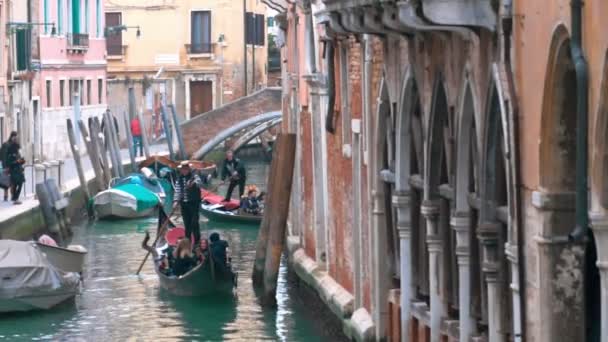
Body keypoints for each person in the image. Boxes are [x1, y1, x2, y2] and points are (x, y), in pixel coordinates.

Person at [173, 161, 203, 246]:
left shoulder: (195, 177)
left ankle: (197, 243)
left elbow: (200, 184)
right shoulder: (179, 179)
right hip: (184, 204)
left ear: (189, 169)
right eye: (183, 169)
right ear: (181, 170)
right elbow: (177, 191)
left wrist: (193, 183)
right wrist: (175, 201)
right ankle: (188, 243)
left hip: (194, 204)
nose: (184, 171)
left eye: (186, 169)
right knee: (187, 225)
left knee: (194, 223)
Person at [5, 134, 24, 205]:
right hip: (14, 170)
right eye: (15, 140)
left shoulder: (18, 150)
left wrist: (22, 161)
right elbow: (9, 162)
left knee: (20, 183)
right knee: (15, 184)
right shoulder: (10, 150)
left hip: (19, 170)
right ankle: (15, 198)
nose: (17, 141)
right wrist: (16, 162)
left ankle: (15, 198)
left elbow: (22, 159)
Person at [0, 132, 16, 201]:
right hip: (6, 166)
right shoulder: (5, 145)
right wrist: (5, 166)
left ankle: (12, 195)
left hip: (13, 166)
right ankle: (6, 195)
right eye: (15, 137)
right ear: (12, 137)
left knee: (13, 180)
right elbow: (3, 156)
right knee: (6, 180)